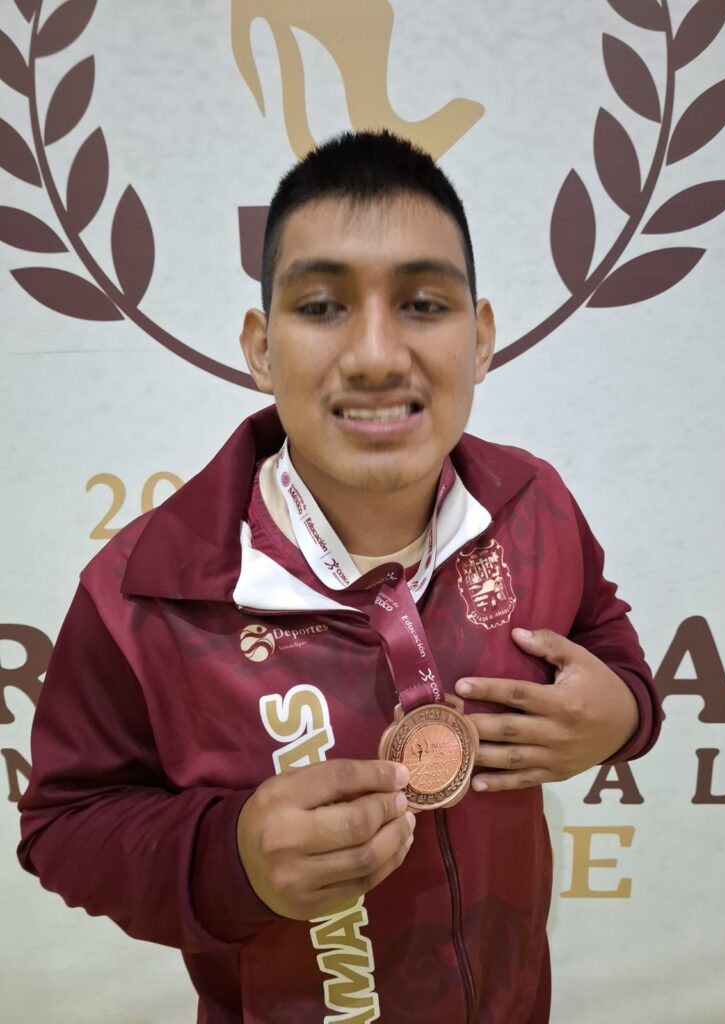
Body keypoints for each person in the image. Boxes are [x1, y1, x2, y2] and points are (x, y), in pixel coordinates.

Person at [18, 131, 661, 1024]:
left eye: (423, 304)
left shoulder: (534, 505)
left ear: (480, 339)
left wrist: (625, 713)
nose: (375, 356)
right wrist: (230, 859)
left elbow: (602, 631)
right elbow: (65, 826)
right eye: (321, 306)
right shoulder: (139, 594)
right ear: (260, 348)